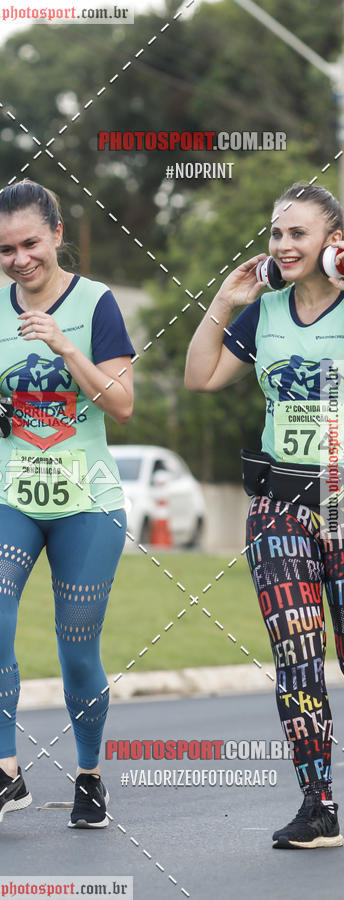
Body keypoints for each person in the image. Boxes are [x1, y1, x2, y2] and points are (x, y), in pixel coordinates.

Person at [0, 179, 134, 828]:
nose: (19, 258)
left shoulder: (98, 304)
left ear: (58, 234)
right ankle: (6, 773)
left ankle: (89, 775)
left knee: (78, 651)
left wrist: (64, 344)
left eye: (30, 242)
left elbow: (120, 403)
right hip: (11, 491)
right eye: (4, 249)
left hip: (87, 499)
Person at [184, 182, 344, 850]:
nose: (282, 245)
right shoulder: (267, 312)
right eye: (276, 233)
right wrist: (225, 301)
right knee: (298, 660)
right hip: (280, 504)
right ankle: (319, 806)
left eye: (297, 234)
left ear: (333, 242)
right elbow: (200, 375)